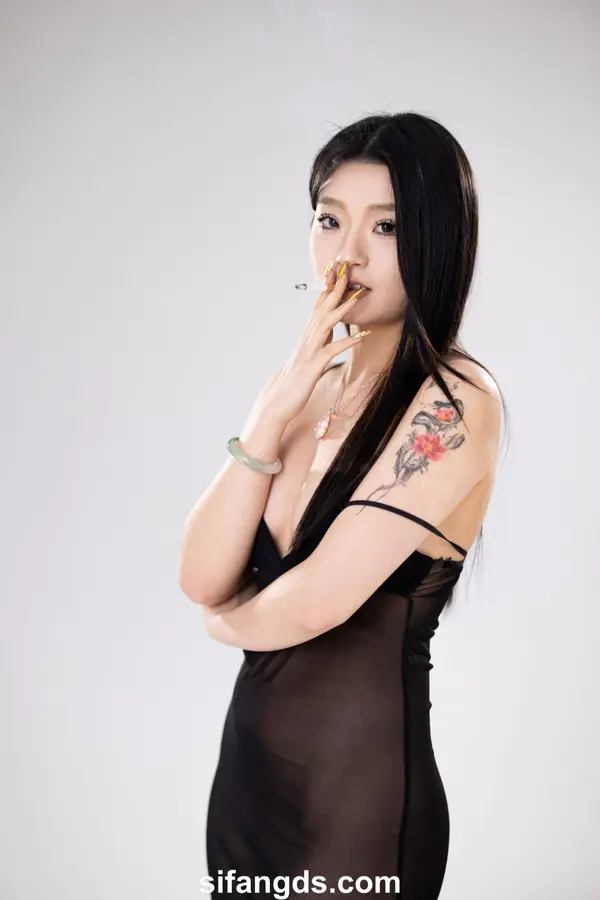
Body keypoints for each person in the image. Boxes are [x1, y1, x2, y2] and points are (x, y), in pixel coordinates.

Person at [179, 111, 505, 899]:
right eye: (329, 220)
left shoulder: (455, 401)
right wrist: (271, 411)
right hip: (250, 783)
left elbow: (314, 604)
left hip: (357, 800)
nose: (347, 254)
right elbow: (199, 575)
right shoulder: (308, 388)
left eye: (385, 227)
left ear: (436, 239)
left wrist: (224, 624)